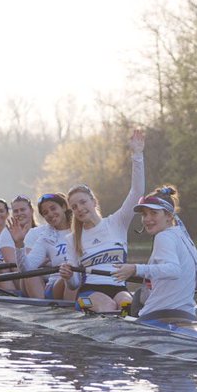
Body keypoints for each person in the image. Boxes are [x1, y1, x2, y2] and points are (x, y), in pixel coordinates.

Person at [58, 128, 146, 312]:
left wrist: (137, 155)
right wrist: (67, 276)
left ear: (93, 201)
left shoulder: (117, 222)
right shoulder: (72, 239)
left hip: (119, 288)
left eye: (83, 202)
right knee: (108, 306)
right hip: (88, 292)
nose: (79, 208)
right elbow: (74, 284)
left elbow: (137, 192)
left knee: (127, 305)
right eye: (74, 207)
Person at [112, 185, 197, 323]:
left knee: (137, 297)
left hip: (157, 316)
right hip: (187, 316)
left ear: (169, 216)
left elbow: (173, 270)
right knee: (141, 294)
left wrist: (135, 269)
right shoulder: (183, 237)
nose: (147, 219)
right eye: (144, 214)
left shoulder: (163, 237)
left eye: (154, 213)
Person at [6, 192, 73, 300]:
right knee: (71, 274)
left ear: (64, 207)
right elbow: (26, 269)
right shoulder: (45, 238)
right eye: (45, 213)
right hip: (58, 284)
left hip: (86, 281)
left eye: (53, 208)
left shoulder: (82, 230)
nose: (50, 214)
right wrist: (19, 244)